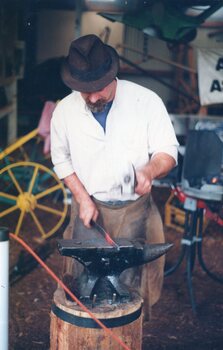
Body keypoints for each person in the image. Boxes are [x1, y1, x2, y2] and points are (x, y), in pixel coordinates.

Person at [50, 34, 179, 319]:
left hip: (135, 207)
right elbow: (61, 159)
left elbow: (167, 151)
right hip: (89, 207)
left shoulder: (146, 101)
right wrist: (82, 198)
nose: (94, 97)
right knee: (83, 285)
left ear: (112, 74)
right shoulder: (64, 111)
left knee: (130, 286)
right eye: (86, 91)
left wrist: (149, 170)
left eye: (99, 89)